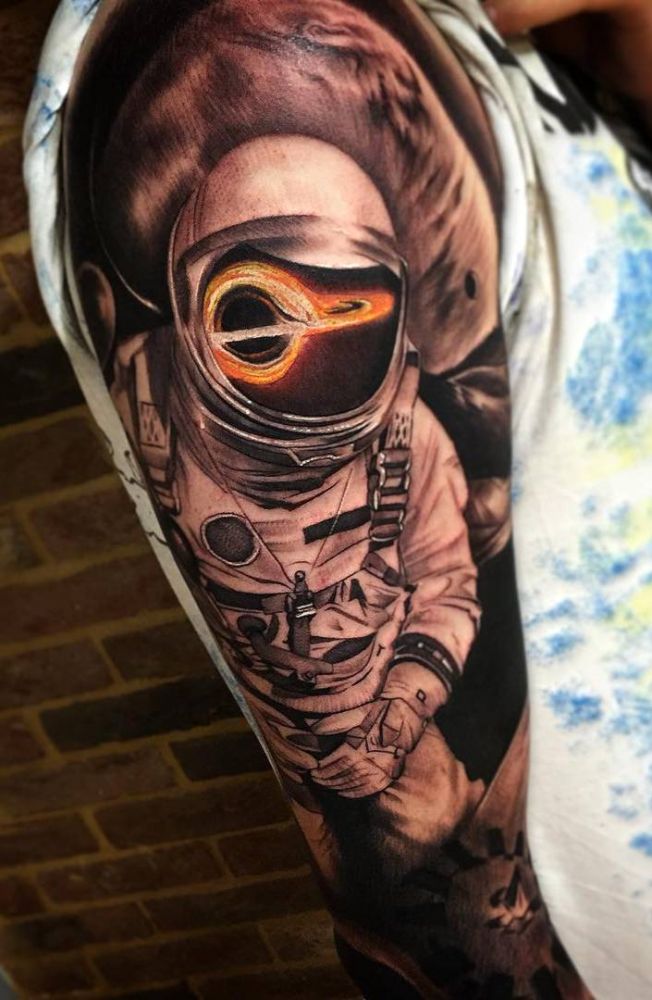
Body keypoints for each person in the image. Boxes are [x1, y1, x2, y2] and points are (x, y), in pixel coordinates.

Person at [23, 0, 652, 996]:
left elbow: (447, 589)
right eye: (257, 314)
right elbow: (423, 937)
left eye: (347, 310)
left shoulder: (412, 435)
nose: (304, 339)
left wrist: (397, 711)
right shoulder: (287, 53)